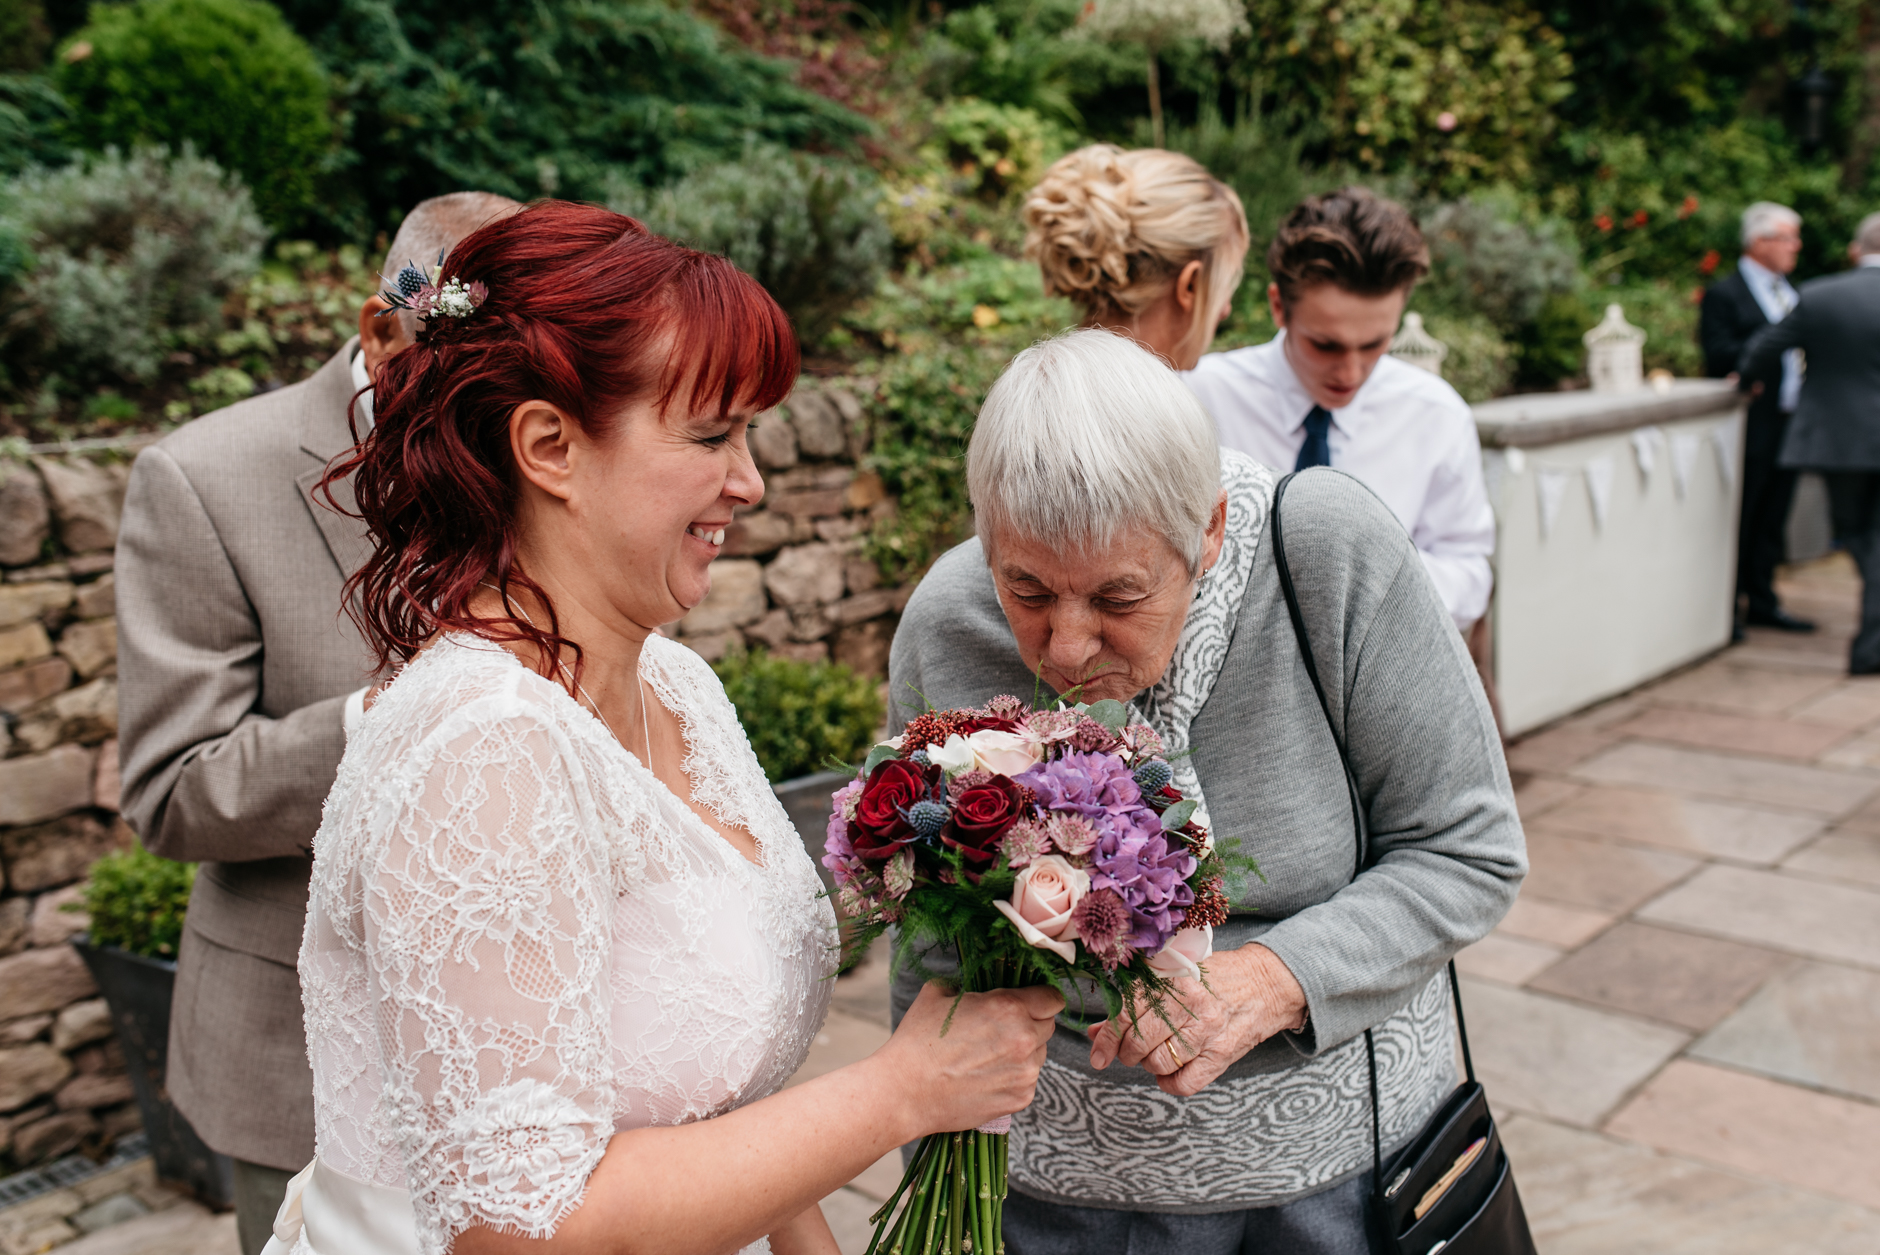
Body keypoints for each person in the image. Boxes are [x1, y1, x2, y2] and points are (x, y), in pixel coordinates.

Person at [266, 201, 1061, 1255]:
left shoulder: (676, 683)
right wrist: (902, 1092)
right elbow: (520, 1233)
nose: (751, 480)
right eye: (711, 434)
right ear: (549, 445)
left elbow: (707, 1092)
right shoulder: (480, 748)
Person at [888, 328, 1525, 1254]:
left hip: (1335, 1189)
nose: (1066, 646)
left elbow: (1469, 848)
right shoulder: (948, 616)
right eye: (1026, 588)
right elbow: (932, 933)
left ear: (1212, 528)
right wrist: (934, 1174)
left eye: (1118, 596)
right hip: (1049, 1198)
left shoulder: (1326, 552)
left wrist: (1277, 977)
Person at [117, 191, 522, 1254]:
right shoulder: (202, 478)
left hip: (535, 1036)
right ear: (378, 328)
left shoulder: (541, 447)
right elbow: (170, 791)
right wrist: (387, 719)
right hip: (302, 1054)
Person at [1182, 187, 1495, 634]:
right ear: (1278, 306)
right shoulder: (1199, 399)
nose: (1350, 371)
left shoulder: (1437, 416)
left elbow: (1468, 568)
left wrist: (1373, 586)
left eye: (1374, 344)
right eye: (1325, 344)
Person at [1742, 211, 1880, 674]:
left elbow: (1763, 349)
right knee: (1871, 539)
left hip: (1836, 443)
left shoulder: (1820, 295)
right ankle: (1871, 637)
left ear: (1856, 249)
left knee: (1855, 532)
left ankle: (1872, 636)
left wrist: (1744, 379)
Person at [1023, 143, 1249, 370]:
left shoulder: (1031, 382)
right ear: (1191, 284)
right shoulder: (1159, 404)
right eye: (1223, 286)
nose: (1225, 310)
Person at [1701, 201, 1816, 635]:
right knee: (1743, 515)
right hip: (1751, 422)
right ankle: (1727, 610)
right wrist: (1752, 366)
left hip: (1792, 420)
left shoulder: (1793, 292)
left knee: (1774, 515)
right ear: (1759, 241)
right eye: (1788, 237)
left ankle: (1764, 599)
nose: (1796, 247)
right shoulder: (1724, 294)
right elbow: (1718, 353)